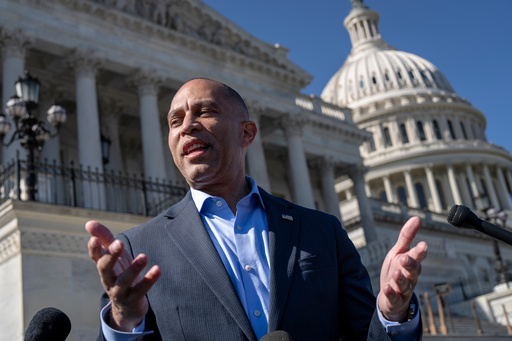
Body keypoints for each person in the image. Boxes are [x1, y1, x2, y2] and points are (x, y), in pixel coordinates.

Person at [86, 78, 428, 340]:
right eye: (175, 121)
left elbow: (364, 334)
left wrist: (391, 315)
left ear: (247, 133)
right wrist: (124, 318)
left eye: (204, 112)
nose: (186, 125)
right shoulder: (138, 248)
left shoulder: (322, 231)